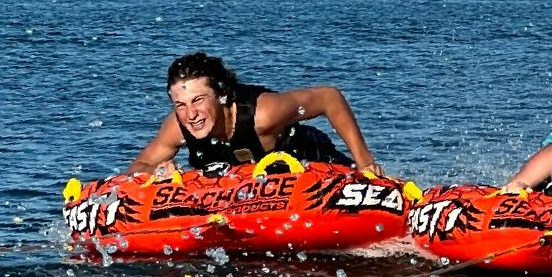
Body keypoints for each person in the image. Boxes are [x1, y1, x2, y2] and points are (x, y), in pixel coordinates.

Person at [127, 52, 382, 176]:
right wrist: (158, 172)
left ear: (221, 95)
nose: (191, 114)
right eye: (180, 105)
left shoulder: (264, 114)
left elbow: (329, 97)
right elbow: (137, 167)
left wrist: (365, 164)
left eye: (198, 100)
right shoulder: (177, 127)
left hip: (314, 163)